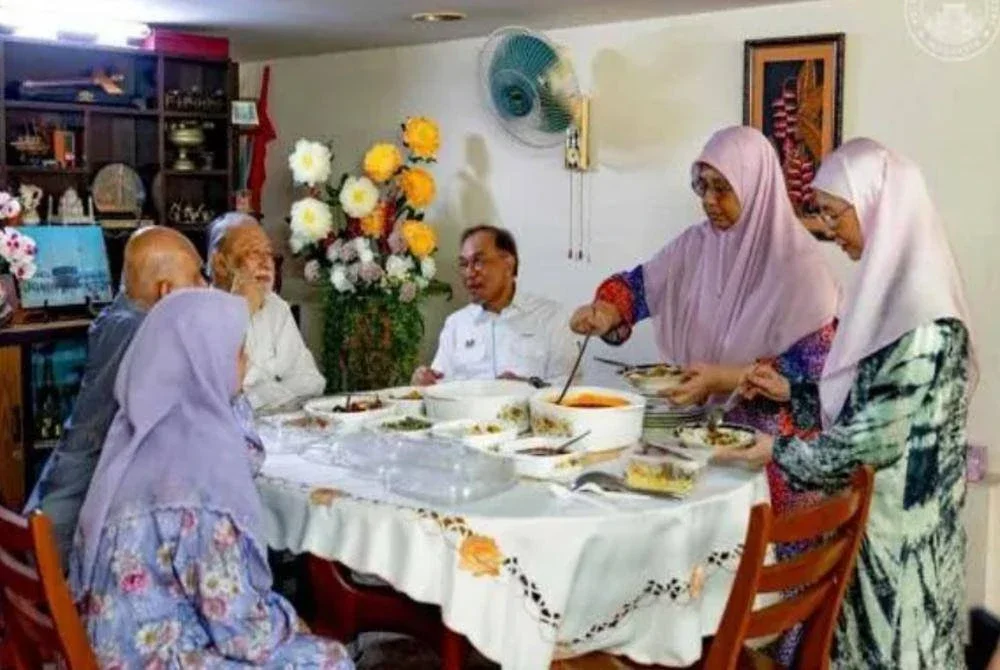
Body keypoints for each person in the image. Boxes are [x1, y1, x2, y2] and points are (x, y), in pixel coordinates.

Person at [723, 138, 978, 669]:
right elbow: (872, 401)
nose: (829, 229)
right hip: (875, 524)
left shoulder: (924, 323)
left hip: (903, 543)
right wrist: (795, 393)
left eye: (835, 214)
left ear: (878, 206)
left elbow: (871, 439)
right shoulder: (897, 301)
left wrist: (774, 448)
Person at [70, 289, 354, 668]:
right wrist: (290, 622)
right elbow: (242, 634)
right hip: (158, 657)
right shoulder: (201, 479)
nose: (246, 361)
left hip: (114, 644)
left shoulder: (136, 437)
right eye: (237, 352)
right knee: (330, 658)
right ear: (204, 364)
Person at [569, 125, 839, 503]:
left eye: (723, 188)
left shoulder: (801, 268)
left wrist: (724, 379)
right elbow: (640, 287)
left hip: (770, 456)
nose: (710, 200)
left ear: (755, 188)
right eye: (703, 186)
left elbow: (817, 377)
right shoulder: (695, 246)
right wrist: (607, 311)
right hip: (696, 434)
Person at [25, 226, 206, 565]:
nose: (204, 287)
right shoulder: (144, 334)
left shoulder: (119, 314)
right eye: (197, 278)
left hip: (51, 503)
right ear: (166, 292)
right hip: (76, 536)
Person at [412, 225, 578, 386]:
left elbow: (570, 388)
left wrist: (526, 387)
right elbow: (439, 385)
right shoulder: (456, 324)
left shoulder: (551, 317)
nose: (469, 273)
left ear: (508, 264)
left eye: (478, 261)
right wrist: (425, 381)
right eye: (464, 264)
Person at [208, 213, 325, 411]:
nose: (266, 263)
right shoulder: (196, 316)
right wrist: (242, 310)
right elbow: (218, 400)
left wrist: (257, 395)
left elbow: (310, 381)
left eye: (268, 253)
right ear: (220, 264)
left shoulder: (275, 307)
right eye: (253, 252)